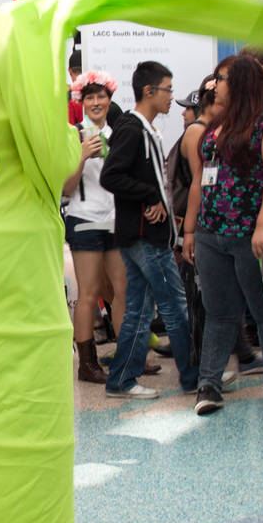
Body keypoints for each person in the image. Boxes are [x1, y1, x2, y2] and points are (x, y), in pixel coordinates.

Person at [183, 54, 263, 414]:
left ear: (242, 84)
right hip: (212, 233)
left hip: (257, 235)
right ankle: (209, 385)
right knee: (218, 310)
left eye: (221, 79)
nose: (213, 85)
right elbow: (199, 180)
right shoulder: (213, 127)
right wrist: (189, 228)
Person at [100, 61, 197, 399]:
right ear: (149, 92)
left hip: (143, 235)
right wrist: (149, 195)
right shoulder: (132, 129)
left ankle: (122, 379)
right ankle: (193, 376)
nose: (172, 97)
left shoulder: (144, 129)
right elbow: (110, 176)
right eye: (167, 90)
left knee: (141, 312)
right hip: (144, 236)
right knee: (175, 305)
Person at [63, 71, 126, 383]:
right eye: (90, 97)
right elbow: (65, 187)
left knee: (121, 292)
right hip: (84, 219)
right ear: (82, 102)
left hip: (115, 220)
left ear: (110, 99)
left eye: (101, 96)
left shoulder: (120, 133)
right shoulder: (73, 135)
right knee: (88, 293)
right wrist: (82, 157)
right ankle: (87, 365)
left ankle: (127, 356)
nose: (96, 102)